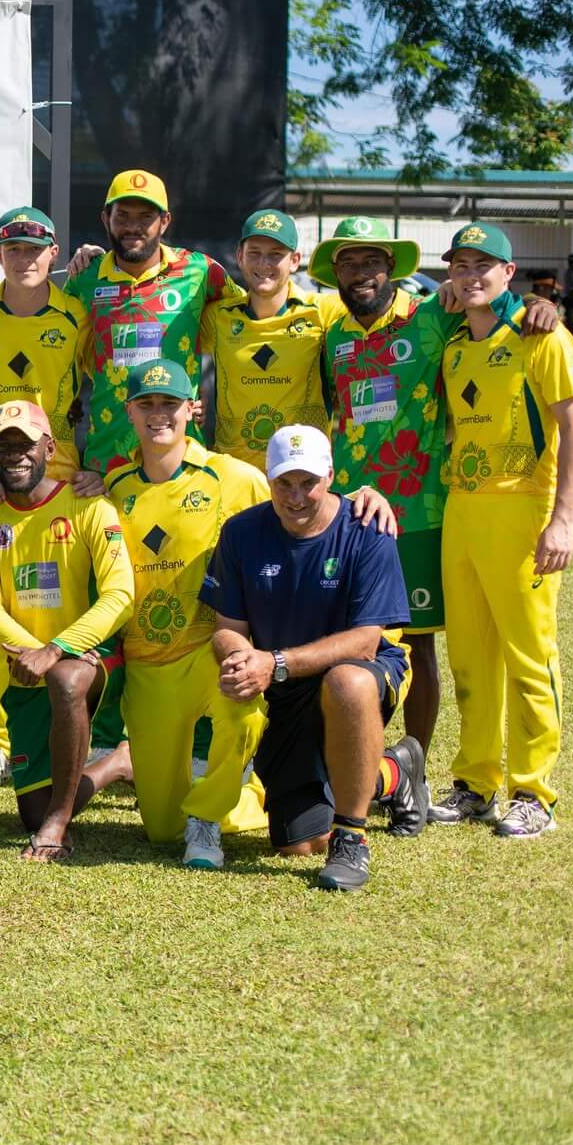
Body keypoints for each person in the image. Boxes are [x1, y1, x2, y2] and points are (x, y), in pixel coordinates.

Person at [310, 215, 553, 760]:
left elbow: (491, 311)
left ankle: (411, 769)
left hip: (417, 511)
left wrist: (539, 304)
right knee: (348, 641)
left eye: (372, 260)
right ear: (336, 274)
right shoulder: (335, 337)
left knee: (415, 643)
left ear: (391, 267)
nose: (361, 272)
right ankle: (353, 757)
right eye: (349, 263)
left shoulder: (433, 317)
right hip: (347, 515)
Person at [101, 359, 347, 866]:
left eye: (169, 404)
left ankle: (210, 816)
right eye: (145, 404)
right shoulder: (113, 487)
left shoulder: (234, 477)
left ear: (194, 408)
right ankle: (242, 797)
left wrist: (361, 498)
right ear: (128, 412)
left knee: (243, 707)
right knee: (162, 830)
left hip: (214, 648)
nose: (158, 415)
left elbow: (301, 509)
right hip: (149, 661)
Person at [192, 425, 428, 891]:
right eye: (284, 483)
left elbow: (364, 641)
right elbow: (228, 631)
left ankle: (353, 839)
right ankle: (395, 771)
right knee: (297, 844)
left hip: (362, 673)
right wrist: (242, 661)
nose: (296, 496)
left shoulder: (368, 528)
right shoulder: (241, 533)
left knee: (346, 681)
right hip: (282, 688)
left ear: (331, 477)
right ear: (268, 479)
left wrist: (272, 662)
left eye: (308, 482)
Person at [432, 222, 573, 838]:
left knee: (529, 654)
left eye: (484, 265)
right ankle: (474, 782)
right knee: (470, 654)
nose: (472, 275)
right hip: (462, 509)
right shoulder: (453, 343)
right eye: (461, 265)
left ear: (509, 271)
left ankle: (534, 792)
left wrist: (564, 520)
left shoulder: (541, 337)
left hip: (524, 509)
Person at [0, 401, 135, 861]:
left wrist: (56, 649)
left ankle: (59, 824)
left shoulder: (90, 505)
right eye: (5, 445)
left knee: (66, 679)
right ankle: (117, 762)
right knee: (30, 812)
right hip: (25, 667)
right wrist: (34, 652)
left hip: (94, 659)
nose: (16, 454)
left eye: (26, 444)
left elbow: (120, 596)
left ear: (50, 448)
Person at [0, 206, 91, 787]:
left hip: (58, 469)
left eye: (35, 248)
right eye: (13, 248)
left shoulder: (76, 315)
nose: (24, 258)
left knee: (57, 600)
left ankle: (75, 726)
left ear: (54, 253)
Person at [54, 170, 230, 475]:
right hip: (107, 459)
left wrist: (209, 400)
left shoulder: (200, 271)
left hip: (181, 454)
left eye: (145, 217)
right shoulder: (84, 279)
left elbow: (246, 328)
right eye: (122, 216)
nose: (133, 227)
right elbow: (61, 357)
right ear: (105, 218)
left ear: (164, 221)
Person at [200, 209, 333, 469]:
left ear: (295, 260)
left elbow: (382, 313)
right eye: (254, 253)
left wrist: (439, 290)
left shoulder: (324, 312)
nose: (264, 264)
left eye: (275, 254)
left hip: (301, 477)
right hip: (234, 476)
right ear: (240, 256)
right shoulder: (218, 316)